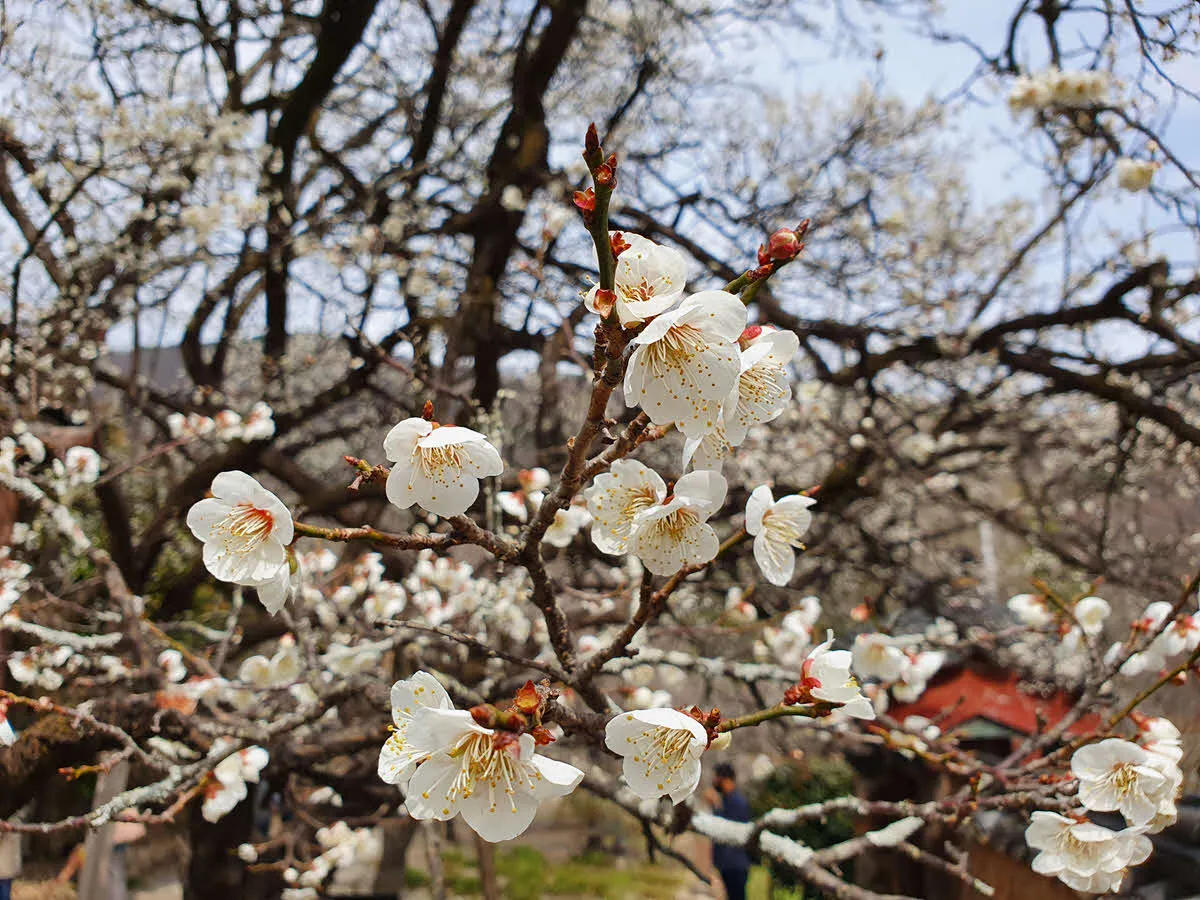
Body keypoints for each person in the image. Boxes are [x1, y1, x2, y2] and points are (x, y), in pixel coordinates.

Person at [705, 762, 752, 900]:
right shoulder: (726, 801)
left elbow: (727, 829)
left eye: (717, 778)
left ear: (726, 780)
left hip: (735, 864)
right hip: (727, 864)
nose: (715, 782)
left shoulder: (737, 802)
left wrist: (715, 806)